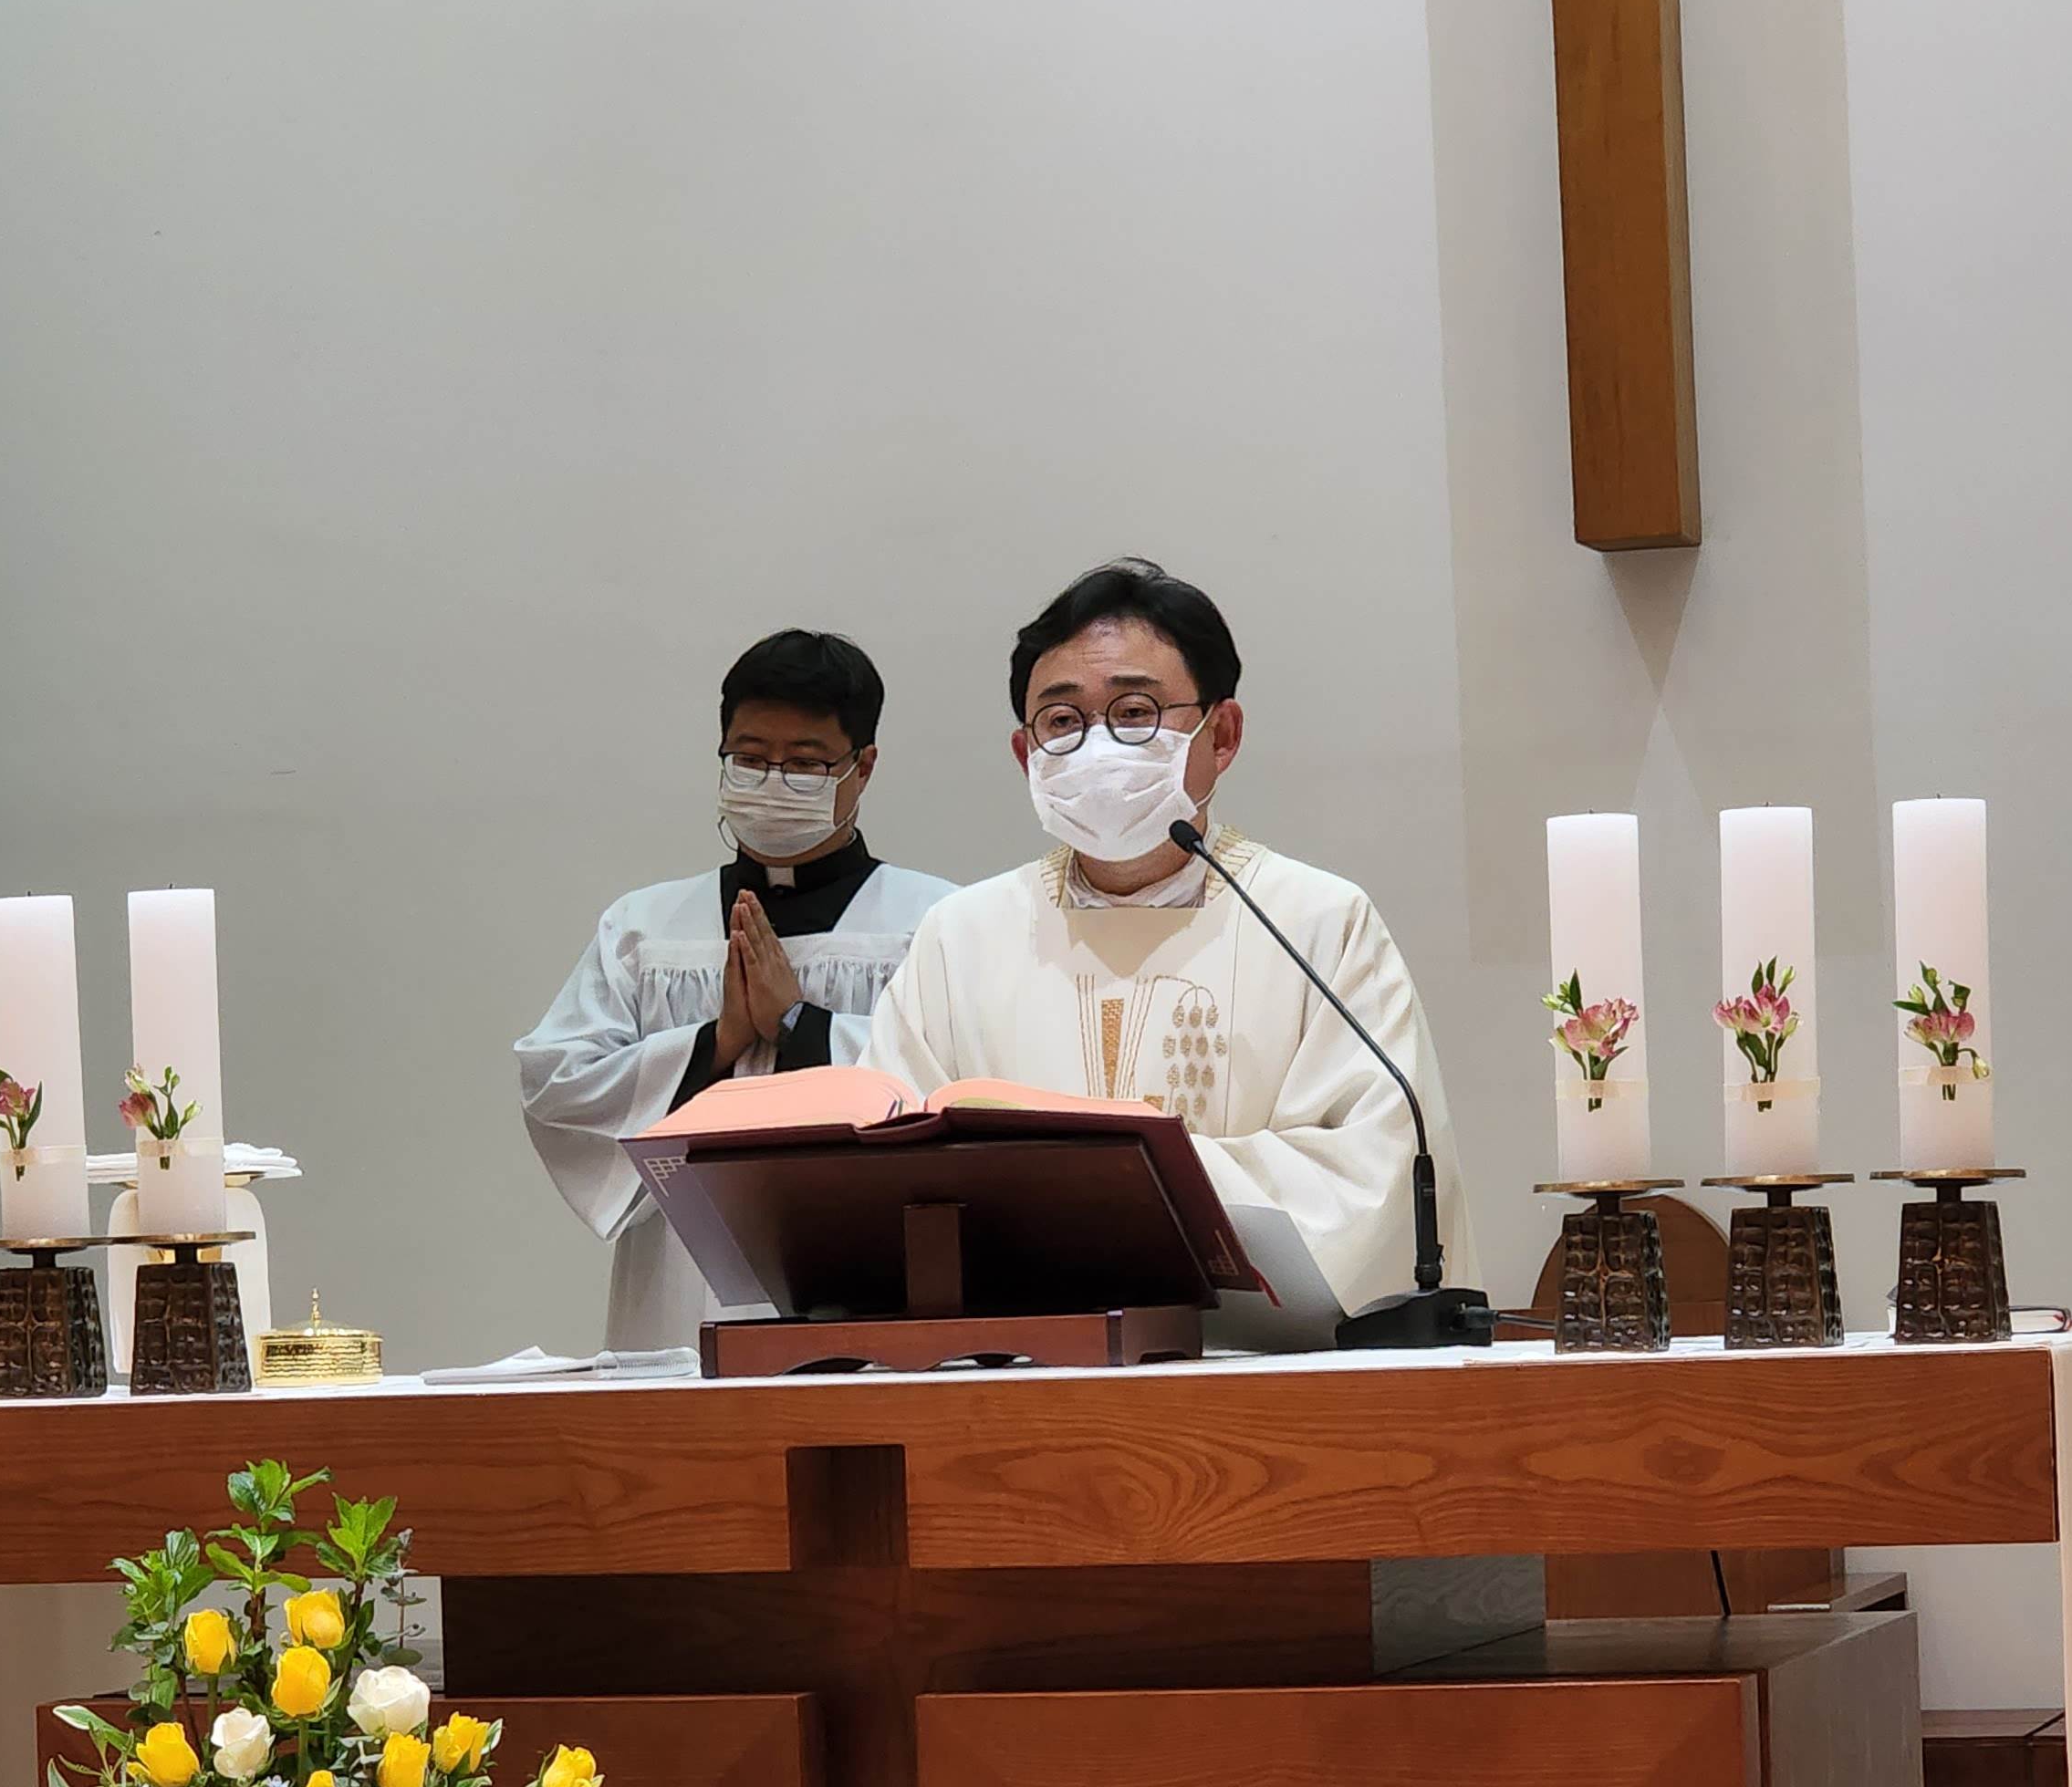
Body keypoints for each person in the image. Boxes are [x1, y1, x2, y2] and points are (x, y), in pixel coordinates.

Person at [861, 558, 1475, 1314]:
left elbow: (1372, 1176)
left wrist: (1111, 1189)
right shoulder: (960, 938)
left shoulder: (1317, 923)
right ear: (1026, 755)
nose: (1097, 747)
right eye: (1062, 721)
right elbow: (887, 1173)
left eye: (1135, 713)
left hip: (1248, 1364)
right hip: (1018, 1361)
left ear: (1223, 735)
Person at [517, 629, 953, 1351]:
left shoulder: (933, 923)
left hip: (872, 1270)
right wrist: (711, 1045)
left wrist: (800, 1025)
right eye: (749, 759)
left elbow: (956, 1092)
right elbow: (557, 1087)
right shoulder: (644, 929)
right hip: (679, 1283)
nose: (773, 782)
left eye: (805, 764)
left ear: (863, 767)